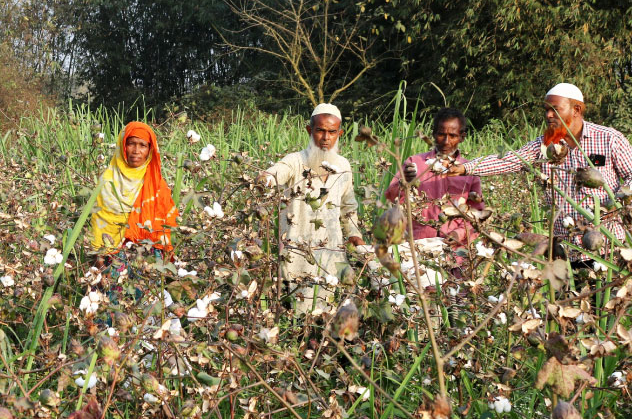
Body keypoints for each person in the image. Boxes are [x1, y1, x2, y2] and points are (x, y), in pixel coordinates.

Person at [447, 83, 632, 258]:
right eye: (546, 110)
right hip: (566, 249)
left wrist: (616, 204)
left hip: (609, 245)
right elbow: (510, 160)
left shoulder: (609, 139)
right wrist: (466, 167)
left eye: (555, 109)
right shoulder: (545, 145)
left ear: (576, 110)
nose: (549, 115)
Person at [259, 104, 365, 311]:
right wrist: (266, 178)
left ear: (340, 134)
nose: (325, 137)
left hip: (332, 253)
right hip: (297, 256)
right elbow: (277, 171)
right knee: (299, 315)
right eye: (320, 130)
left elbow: (348, 206)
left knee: (332, 313)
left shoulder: (343, 166)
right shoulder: (296, 161)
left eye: (332, 132)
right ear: (310, 130)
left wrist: (354, 234)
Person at [384, 108, 484, 249]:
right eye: (441, 134)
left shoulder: (469, 171)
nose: (446, 141)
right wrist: (404, 182)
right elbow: (391, 196)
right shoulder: (414, 163)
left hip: (454, 249)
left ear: (462, 137)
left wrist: (459, 234)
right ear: (433, 134)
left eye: (453, 136)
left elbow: (477, 214)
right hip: (417, 245)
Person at [91, 121, 178, 255]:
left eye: (143, 145)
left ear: (150, 149)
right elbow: (99, 223)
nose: (136, 151)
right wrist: (100, 258)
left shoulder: (157, 186)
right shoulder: (107, 181)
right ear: (123, 146)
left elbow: (165, 227)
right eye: (131, 144)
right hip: (110, 254)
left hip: (147, 253)